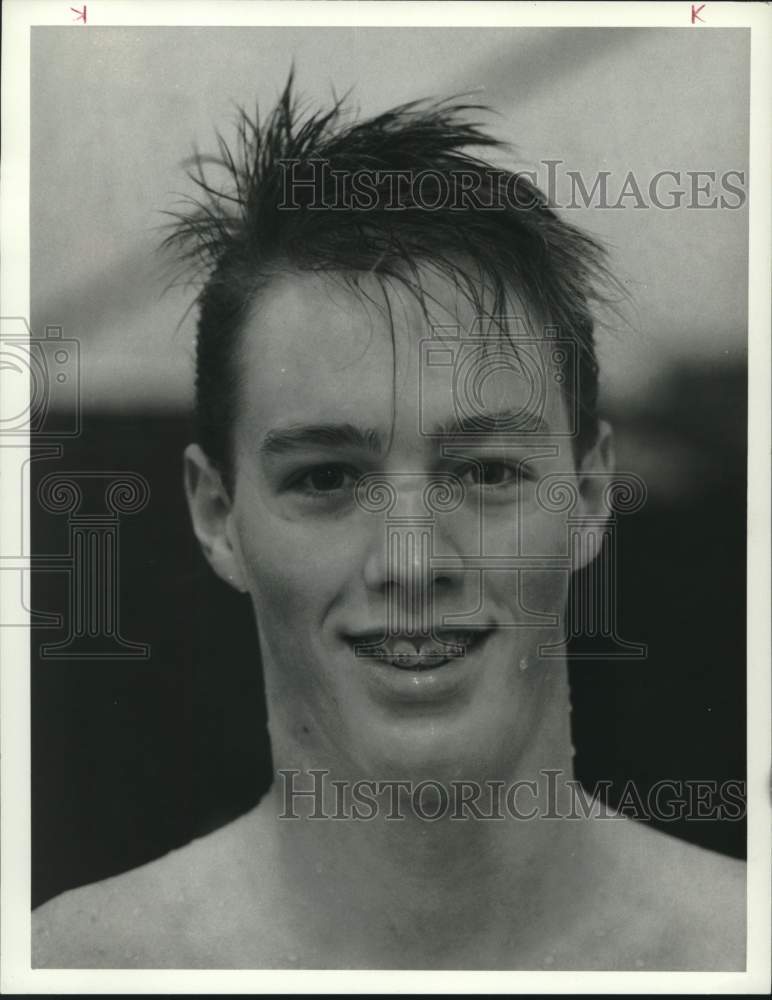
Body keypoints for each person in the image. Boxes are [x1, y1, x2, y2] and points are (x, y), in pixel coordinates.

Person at [33, 76, 745, 971]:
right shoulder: (73, 968)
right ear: (217, 514)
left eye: (486, 472)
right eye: (327, 477)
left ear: (592, 495)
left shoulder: (737, 953)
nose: (410, 562)